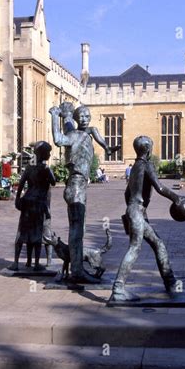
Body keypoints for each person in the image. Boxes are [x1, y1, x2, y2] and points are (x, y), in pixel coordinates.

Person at [110, 135, 185, 303]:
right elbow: (159, 187)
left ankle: (170, 281)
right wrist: (176, 198)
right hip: (137, 212)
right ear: (148, 150)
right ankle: (118, 288)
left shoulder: (135, 166)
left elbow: (127, 193)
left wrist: (134, 211)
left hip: (135, 212)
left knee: (158, 244)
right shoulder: (146, 165)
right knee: (134, 248)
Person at [50, 104, 118, 284]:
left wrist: (107, 148)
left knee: (80, 229)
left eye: (88, 115)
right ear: (76, 118)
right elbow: (58, 139)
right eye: (81, 116)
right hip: (76, 186)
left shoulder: (83, 133)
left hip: (80, 186)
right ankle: (77, 271)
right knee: (77, 229)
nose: (85, 119)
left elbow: (72, 126)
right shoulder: (74, 136)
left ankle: (77, 267)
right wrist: (54, 115)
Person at [9, 141, 56, 271]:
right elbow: (53, 182)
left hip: (27, 201)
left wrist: (17, 199)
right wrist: (48, 170)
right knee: (37, 233)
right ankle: (36, 264)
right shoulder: (45, 168)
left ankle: (17, 263)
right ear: (42, 154)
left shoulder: (29, 167)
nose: (49, 154)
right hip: (39, 203)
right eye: (48, 152)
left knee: (22, 231)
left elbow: (21, 182)